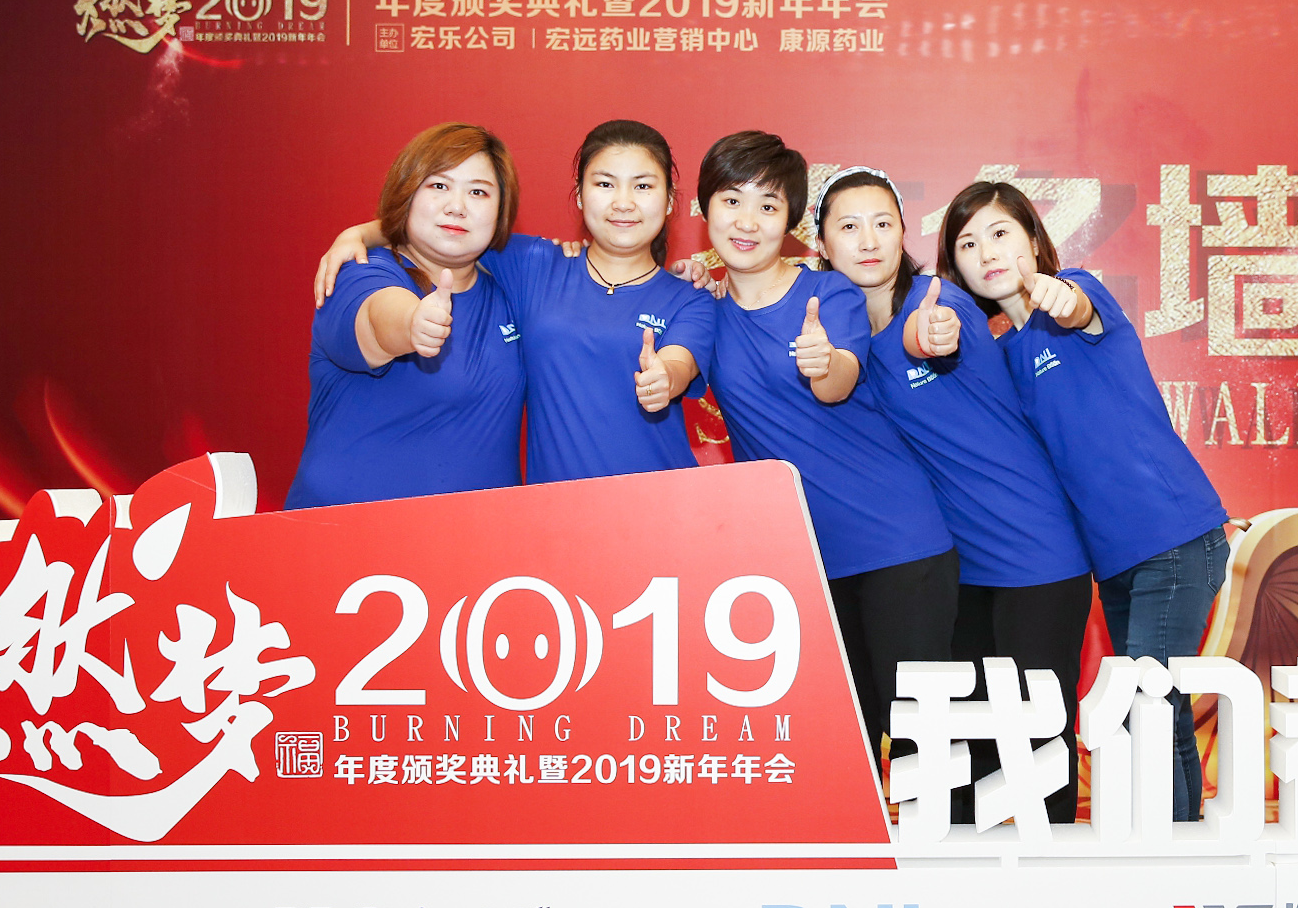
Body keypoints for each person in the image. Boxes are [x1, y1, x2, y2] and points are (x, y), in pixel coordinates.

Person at [942, 179, 1230, 822]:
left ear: (1033, 239)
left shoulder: (1077, 291)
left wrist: (1060, 297)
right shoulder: (1002, 354)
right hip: (1115, 561)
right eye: (968, 243)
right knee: (1160, 711)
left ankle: (1166, 862)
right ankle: (1187, 852)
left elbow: (1076, 307)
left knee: (1145, 711)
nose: (987, 252)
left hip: (1174, 538)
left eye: (1000, 233)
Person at [813, 166, 1093, 824]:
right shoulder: (842, 334)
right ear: (822, 244)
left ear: (903, 233)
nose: (868, 240)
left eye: (883, 223)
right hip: (958, 567)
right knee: (969, 749)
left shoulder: (939, 304)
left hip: (1034, 551)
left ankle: (1056, 887)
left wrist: (930, 336)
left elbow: (932, 336)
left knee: (1037, 747)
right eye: (849, 226)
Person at [693, 133, 956, 768]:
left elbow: (839, 381)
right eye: (731, 201)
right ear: (703, 210)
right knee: (840, 750)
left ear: (790, 223)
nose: (747, 221)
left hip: (896, 540)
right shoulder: (701, 310)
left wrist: (823, 362)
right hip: (801, 558)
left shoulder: (829, 294)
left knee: (920, 746)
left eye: (767, 205)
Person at [312, 119, 714, 481]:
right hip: (552, 515)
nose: (623, 202)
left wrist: (666, 377)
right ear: (579, 196)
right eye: (604, 184)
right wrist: (360, 234)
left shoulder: (690, 297)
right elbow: (442, 231)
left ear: (669, 201)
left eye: (643, 186)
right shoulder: (533, 264)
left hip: (660, 503)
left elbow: (680, 362)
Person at [286, 123, 527, 509]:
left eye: (478, 192)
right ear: (407, 191)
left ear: (501, 210)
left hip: (479, 540)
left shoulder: (511, 284)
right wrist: (413, 322)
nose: (457, 206)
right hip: (347, 535)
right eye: (439, 185)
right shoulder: (359, 270)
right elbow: (377, 317)